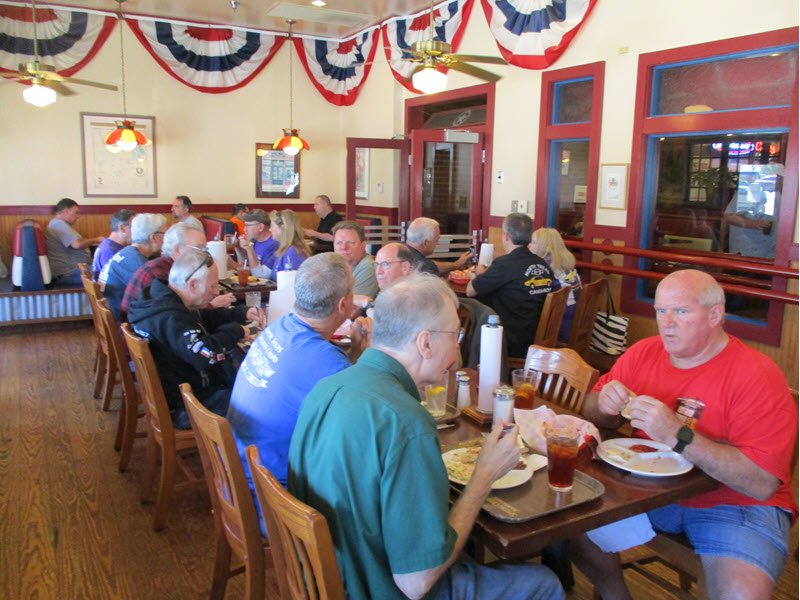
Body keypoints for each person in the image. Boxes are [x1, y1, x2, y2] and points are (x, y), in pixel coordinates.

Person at [289, 275, 564, 600]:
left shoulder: (326, 388)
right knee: (545, 583)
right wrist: (485, 475)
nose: (457, 348)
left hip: (330, 576)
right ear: (425, 343)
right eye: (454, 336)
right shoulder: (407, 422)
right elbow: (417, 583)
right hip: (380, 589)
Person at [573, 269, 797, 600]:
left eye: (680, 311)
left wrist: (679, 435)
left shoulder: (758, 375)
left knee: (741, 594)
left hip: (733, 504)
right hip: (646, 492)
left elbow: (761, 483)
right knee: (567, 515)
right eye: (661, 310)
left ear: (715, 315)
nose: (667, 323)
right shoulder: (643, 352)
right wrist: (603, 405)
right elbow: (592, 411)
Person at [228, 253, 361, 499]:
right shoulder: (329, 364)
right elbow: (356, 431)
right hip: (273, 498)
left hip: (238, 473)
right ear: (343, 305)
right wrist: (364, 355)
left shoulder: (279, 326)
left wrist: (355, 352)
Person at [127, 251, 262, 429]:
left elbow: (201, 319)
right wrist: (236, 330)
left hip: (182, 388)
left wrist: (239, 313)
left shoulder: (163, 300)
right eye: (213, 286)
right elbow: (207, 354)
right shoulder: (170, 318)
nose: (216, 292)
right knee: (261, 402)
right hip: (186, 404)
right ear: (192, 285)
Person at [466, 213, 556, 358]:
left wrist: (479, 273)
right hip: (533, 335)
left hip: (511, 339)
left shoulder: (504, 264)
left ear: (506, 236)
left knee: (468, 308)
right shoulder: (542, 264)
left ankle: (472, 365)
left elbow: (470, 291)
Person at [121, 222, 234, 317]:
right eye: (199, 248)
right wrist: (211, 305)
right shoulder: (159, 273)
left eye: (205, 249)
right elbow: (176, 316)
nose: (204, 254)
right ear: (177, 250)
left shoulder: (174, 267)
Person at [100, 213, 167, 322]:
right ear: (153, 238)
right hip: (122, 321)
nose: (166, 238)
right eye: (165, 234)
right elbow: (157, 297)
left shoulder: (128, 252)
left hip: (113, 310)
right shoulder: (138, 263)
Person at [530, 227, 582, 341]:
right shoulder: (566, 266)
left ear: (544, 247)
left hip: (559, 330)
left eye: (533, 242)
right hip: (574, 324)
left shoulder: (546, 270)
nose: (529, 245)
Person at [45, 198, 104, 287]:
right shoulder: (58, 224)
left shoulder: (59, 224)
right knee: (109, 272)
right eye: (76, 212)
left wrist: (92, 243)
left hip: (74, 271)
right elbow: (77, 244)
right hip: (69, 274)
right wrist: (97, 239)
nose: (78, 216)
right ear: (66, 211)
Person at [352, 242, 414, 314]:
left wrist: (366, 302)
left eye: (385, 264)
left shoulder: (413, 297)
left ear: (405, 267)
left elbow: (387, 320)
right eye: (376, 265)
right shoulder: (390, 294)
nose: (378, 271)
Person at [405, 217, 471, 277]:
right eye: (436, 240)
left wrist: (456, 264)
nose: (437, 244)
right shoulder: (425, 268)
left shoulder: (402, 250)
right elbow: (429, 266)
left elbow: (433, 265)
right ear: (425, 243)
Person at [332, 220, 379, 298]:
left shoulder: (368, 267)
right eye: (339, 243)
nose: (343, 247)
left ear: (363, 246)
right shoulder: (335, 264)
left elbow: (351, 305)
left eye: (350, 242)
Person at [235, 209, 278, 278]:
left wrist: (234, 265)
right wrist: (238, 247)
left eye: (247, 225)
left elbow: (260, 275)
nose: (244, 229)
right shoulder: (254, 240)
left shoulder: (274, 244)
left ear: (261, 227)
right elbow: (248, 263)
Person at [267, 209, 310, 280]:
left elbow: (290, 283)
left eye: (272, 226)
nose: (270, 229)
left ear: (283, 227)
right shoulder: (284, 249)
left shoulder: (292, 252)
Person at [92, 209, 134, 277]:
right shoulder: (110, 251)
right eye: (135, 227)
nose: (138, 231)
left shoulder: (108, 244)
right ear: (122, 228)